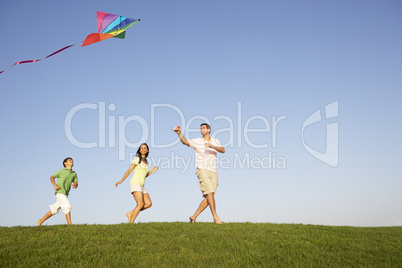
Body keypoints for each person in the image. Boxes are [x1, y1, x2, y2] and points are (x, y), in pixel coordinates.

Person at [173, 123, 225, 224]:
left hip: (213, 171)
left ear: (209, 130)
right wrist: (179, 134)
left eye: (204, 128)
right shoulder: (197, 141)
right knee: (209, 192)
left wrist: (212, 146)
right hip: (202, 169)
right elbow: (185, 142)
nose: (201, 129)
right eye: (200, 128)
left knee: (209, 196)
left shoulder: (215, 140)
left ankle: (193, 216)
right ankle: (215, 217)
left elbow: (222, 150)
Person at [115, 143, 158, 223]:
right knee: (140, 204)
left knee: (148, 203)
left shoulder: (146, 162)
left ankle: (131, 213)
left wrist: (152, 171)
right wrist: (121, 180)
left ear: (147, 150)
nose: (143, 149)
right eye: (141, 148)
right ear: (139, 150)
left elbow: (144, 175)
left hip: (141, 185)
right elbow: (129, 170)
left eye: (145, 148)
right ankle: (130, 223)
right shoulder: (137, 159)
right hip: (135, 183)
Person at [37, 157, 78, 226]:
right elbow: (52, 177)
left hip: (65, 193)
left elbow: (76, 181)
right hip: (60, 192)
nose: (71, 161)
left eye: (72, 160)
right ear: (65, 163)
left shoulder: (74, 173)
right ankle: (70, 225)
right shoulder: (61, 171)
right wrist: (55, 185)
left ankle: (40, 221)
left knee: (54, 210)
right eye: (69, 160)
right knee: (67, 206)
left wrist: (75, 185)